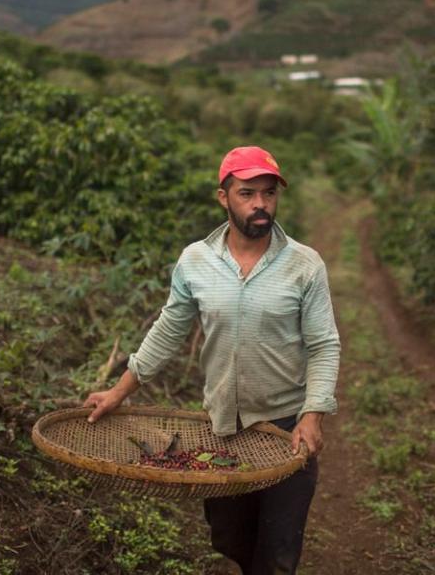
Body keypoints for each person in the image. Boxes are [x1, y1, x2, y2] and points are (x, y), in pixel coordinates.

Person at [83, 144, 341, 575]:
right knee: (229, 537)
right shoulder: (196, 261)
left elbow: (324, 344)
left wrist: (313, 414)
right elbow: (169, 330)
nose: (260, 204)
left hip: (284, 429)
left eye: (269, 193)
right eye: (247, 193)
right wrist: (119, 391)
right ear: (223, 197)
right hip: (223, 428)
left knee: (277, 555)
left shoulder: (305, 265)